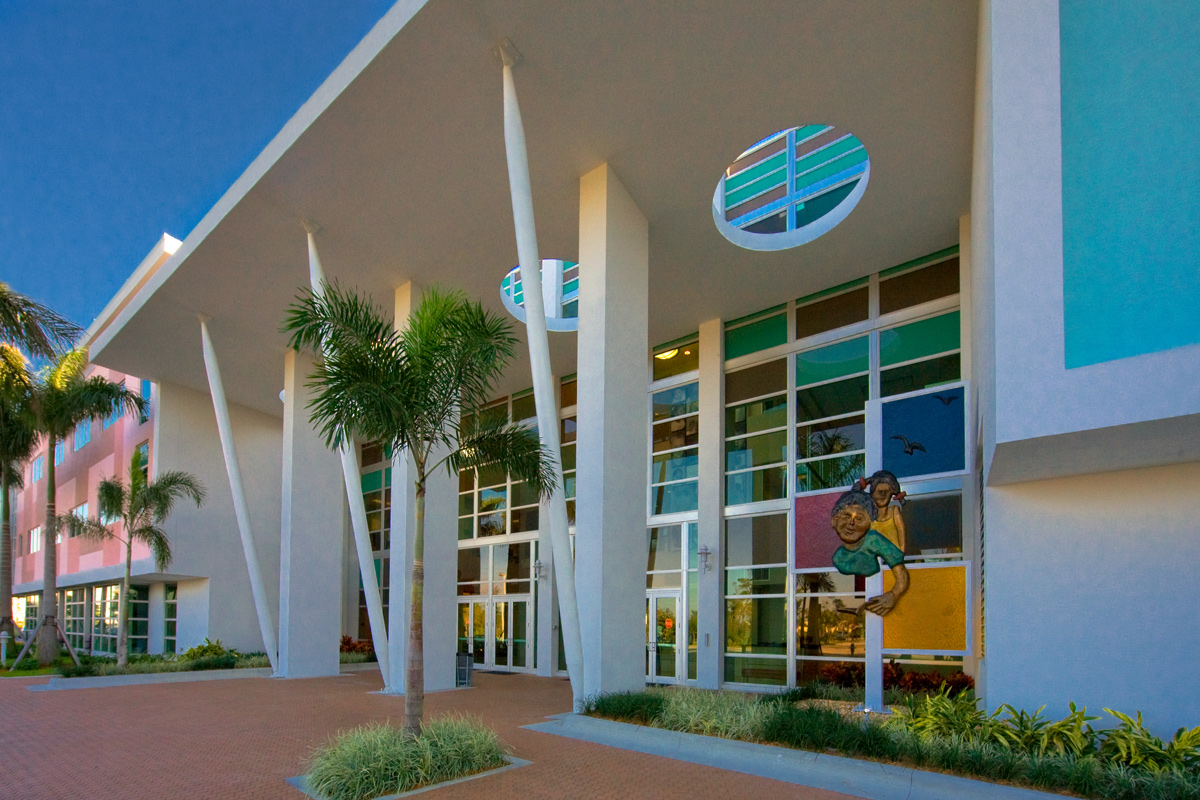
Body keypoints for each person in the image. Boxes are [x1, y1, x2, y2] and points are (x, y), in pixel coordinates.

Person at [830, 488, 909, 616]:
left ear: (869, 524)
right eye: (846, 516)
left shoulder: (874, 540)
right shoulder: (837, 557)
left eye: (859, 519)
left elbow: (901, 575)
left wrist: (894, 594)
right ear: (835, 520)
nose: (851, 523)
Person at [862, 470, 907, 553]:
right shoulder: (867, 515)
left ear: (891, 493)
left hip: (892, 559)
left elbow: (901, 532)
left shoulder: (894, 511)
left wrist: (901, 552)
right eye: (879, 491)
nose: (883, 495)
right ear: (872, 493)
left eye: (886, 492)